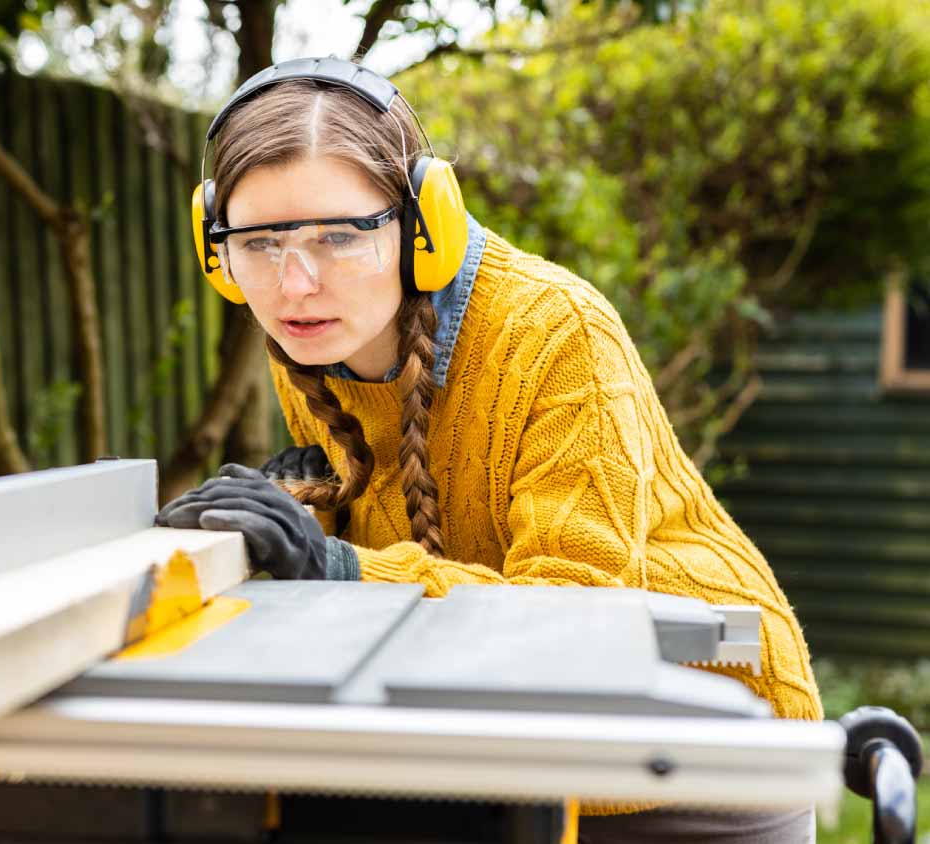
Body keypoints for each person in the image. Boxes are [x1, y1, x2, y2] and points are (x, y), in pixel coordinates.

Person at [155, 56, 821, 842]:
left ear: (421, 227)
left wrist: (342, 570)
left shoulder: (557, 333)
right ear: (216, 250)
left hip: (689, 744)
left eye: (339, 235)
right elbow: (413, 530)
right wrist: (306, 519)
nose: (294, 282)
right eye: (257, 243)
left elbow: (572, 623)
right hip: (495, 747)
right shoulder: (315, 341)